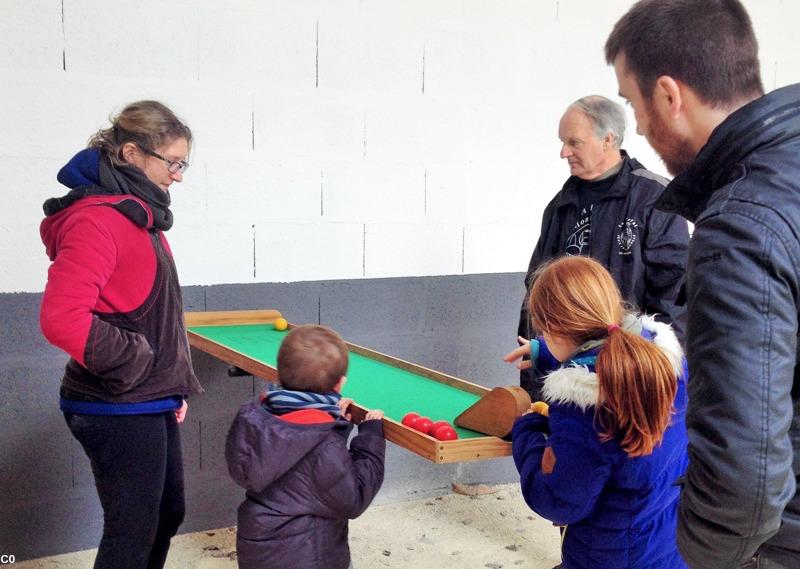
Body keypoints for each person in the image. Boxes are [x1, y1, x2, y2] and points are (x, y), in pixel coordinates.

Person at [605, 1, 800, 567]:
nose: (638, 126)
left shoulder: (742, 224)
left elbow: (746, 478)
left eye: (632, 103)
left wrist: (708, 551)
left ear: (669, 95)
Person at [39, 100, 202, 569]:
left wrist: (169, 382)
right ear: (132, 153)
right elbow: (61, 318)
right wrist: (142, 364)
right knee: (131, 533)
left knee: (167, 513)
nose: (179, 175)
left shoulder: (140, 216)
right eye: (172, 162)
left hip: (149, 397)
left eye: (182, 163)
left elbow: (151, 313)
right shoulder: (98, 220)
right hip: (113, 403)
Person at [506, 256, 688, 569]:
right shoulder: (661, 360)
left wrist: (527, 433)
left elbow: (560, 501)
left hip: (607, 556)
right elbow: (601, 353)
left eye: (545, 333)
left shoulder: (583, 409)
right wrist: (545, 352)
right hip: (667, 545)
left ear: (554, 329)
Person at [518, 95, 689, 400]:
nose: (563, 152)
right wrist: (535, 388)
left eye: (574, 142)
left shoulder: (655, 198)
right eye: (562, 141)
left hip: (628, 381)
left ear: (608, 139)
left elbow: (674, 301)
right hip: (566, 382)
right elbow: (537, 292)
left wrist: (648, 378)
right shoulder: (559, 207)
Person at [225, 325, 386, 569]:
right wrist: (370, 439)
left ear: (281, 375)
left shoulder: (255, 418)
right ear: (340, 384)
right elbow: (353, 498)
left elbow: (299, 455)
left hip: (258, 550)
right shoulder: (323, 445)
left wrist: (336, 427)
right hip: (309, 555)